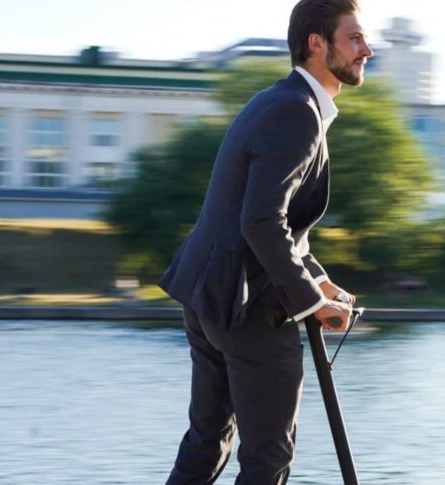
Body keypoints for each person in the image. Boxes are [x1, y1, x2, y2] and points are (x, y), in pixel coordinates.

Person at [157, 1, 373, 483]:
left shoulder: (278, 101)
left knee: (206, 442)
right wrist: (309, 302)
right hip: (248, 306)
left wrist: (320, 281)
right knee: (268, 457)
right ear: (317, 44)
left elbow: (282, 226)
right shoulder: (298, 114)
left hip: (209, 297)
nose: (367, 50)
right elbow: (260, 221)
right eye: (354, 38)